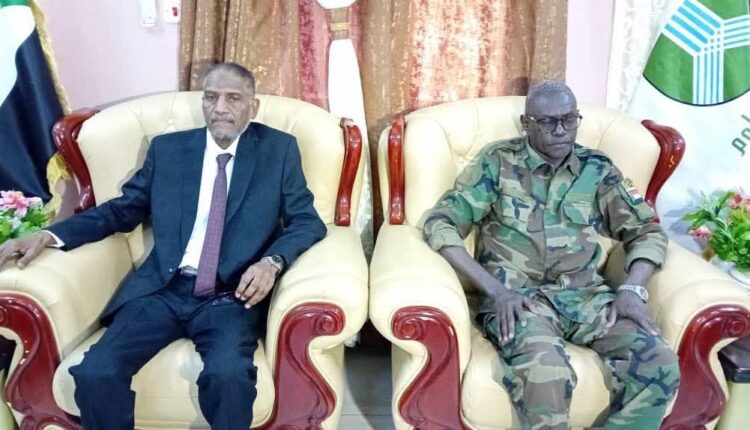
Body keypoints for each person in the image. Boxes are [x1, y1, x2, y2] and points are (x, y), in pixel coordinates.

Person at [0, 62, 326, 430]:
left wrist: (272, 262)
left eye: (233, 98)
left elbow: (306, 220)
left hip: (231, 296)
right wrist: (50, 235)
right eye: (211, 98)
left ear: (253, 106)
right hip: (162, 290)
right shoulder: (169, 150)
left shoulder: (277, 150)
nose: (220, 108)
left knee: (229, 377)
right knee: (96, 372)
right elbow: (122, 211)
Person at [423, 81, 680, 429]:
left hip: (587, 298)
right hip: (519, 301)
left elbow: (645, 230)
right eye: (547, 122)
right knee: (547, 372)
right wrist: (495, 291)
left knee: (659, 362)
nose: (561, 130)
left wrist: (631, 289)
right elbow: (441, 224)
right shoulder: (498, 163)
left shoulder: (597, 169)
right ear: (526, 123)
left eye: (569, 119)